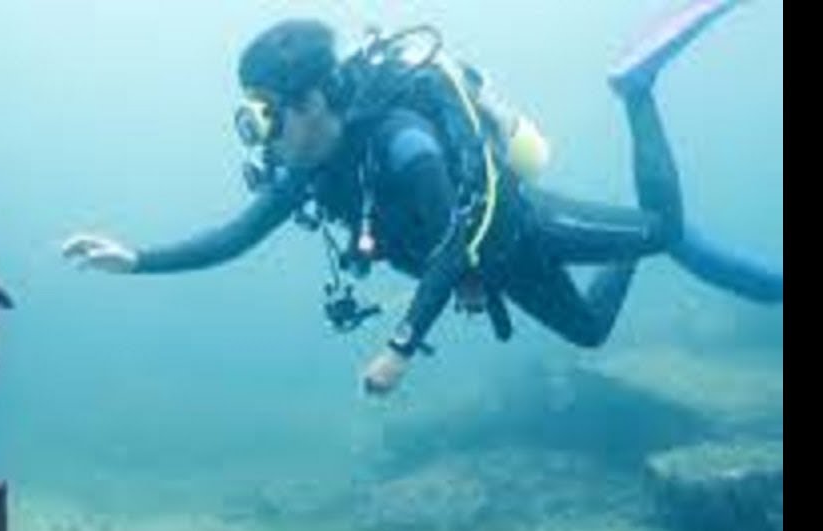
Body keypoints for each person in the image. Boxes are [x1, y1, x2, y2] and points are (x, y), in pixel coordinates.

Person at [61, 0, 781, 397]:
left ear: (312, 102)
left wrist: (400, 348)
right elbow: (236, 235)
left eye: (268, 116)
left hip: (519, 230)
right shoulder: (318, 166)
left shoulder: (404, 141)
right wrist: (136, 260)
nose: (262, 137)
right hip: (485, 266)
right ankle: (639, 244)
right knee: (591, 331)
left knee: (663, 228)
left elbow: (457, 234)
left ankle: (635, 90)